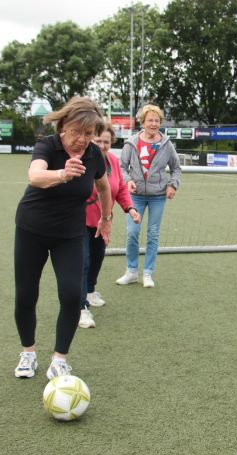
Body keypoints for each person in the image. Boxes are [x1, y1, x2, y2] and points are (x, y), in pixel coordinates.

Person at [13, 96, 113, 379]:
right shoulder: (48, 146)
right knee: (26, 295)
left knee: (71, 295)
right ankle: (28, 353)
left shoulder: (94, 155)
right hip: (31, 229)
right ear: (63, 126)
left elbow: (104, 187)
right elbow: (35, 176)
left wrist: (106, 219)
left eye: (88, 133)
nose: (82, 139)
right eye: (76, 132)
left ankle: (59, 359)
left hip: (69, 234)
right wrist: (62, 173)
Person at [79, 122, 141, 329]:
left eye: (106, 142)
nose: (102, 145)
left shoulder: (113, 161)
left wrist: (130, 208)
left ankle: (90, 291)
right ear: (90, 140)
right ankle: (81, 307)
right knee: (82, 262)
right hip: (78, 221)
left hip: (103, 222)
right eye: (97, 141)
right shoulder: (81, 160)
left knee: (96, 259)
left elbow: (121, 188)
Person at [116, 104, 182, 288]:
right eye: (150, 120)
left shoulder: (167, 144)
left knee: (153, 234)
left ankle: (147, 273)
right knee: (132, 233)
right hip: (135, 196)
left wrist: (173, 185)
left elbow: (176, 168)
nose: (154, 124)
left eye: (157, 120)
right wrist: (128, 180)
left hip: (158, 196)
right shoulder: (131, 142)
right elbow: (121, 167)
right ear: (142, 122)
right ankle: (131, 271)